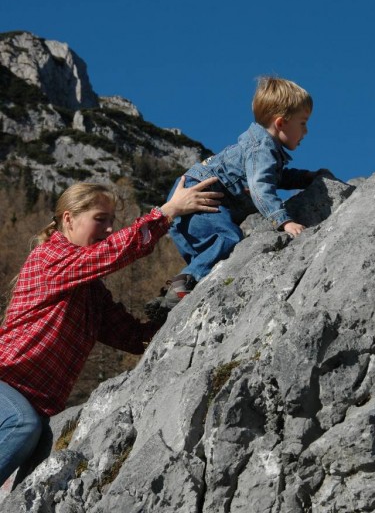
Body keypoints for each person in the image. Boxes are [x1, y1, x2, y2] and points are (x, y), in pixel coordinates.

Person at [0, 177, 223, 487]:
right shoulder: (50, 258)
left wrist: (177, 311)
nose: (108, 228)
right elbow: (110, 253)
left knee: (36, 471)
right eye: (100, 219)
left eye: (112, 221)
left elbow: (132, 337)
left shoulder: (91, 292)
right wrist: (168, 212)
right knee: (22, 425)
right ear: (69, 219)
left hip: (39, 405)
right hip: (6, 382)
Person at [145, 76, 330, 320]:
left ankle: (174, 298)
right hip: (201, 200)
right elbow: (261, 185)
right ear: (281, 123)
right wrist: (284, 221)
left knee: (210, 261)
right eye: (303, 123)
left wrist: (306, 177)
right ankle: (181, 289)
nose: (306, 131)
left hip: (193, 203)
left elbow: (275, 177)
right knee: (229, 238)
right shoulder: (262, 150)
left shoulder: (262, 150)